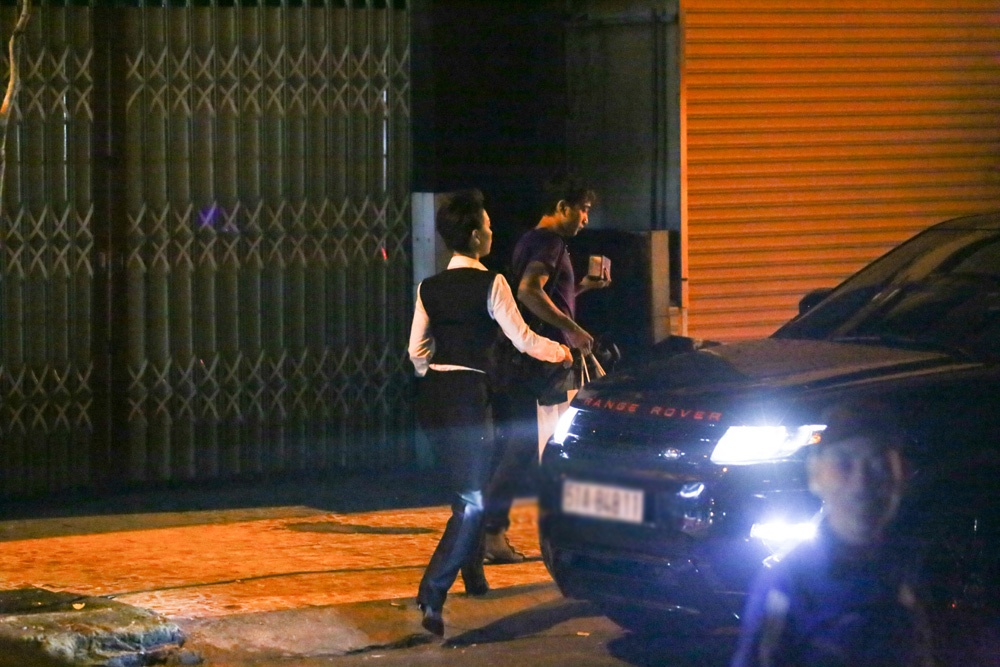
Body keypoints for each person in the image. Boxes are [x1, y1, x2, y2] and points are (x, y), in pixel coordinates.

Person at [407, 189, 572, 637]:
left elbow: (416, 351)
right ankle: (432, 592)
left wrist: (433, 371)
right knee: (473, 499)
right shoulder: (492, 283)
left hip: (434, 394)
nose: (492, 231)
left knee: (467, 490)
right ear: (477, 236)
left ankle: (474, 576)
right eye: (488, 225)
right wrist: (561, 350)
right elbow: (523, 339)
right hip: (470, 397)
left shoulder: (428, 287)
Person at [730, 403, 935, 667]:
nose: (861, 484)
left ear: (902, 476)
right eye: (843, 464)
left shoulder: (912, 567)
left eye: (879, 464)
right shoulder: (789, 583)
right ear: (815, 475)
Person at [481, 174, 611, 564]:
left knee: (523, 445)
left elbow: (545, 294)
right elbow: (528, 291)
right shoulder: (550, 243)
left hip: (528, 359)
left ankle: (491, 532)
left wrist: (581, 287)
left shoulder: (530, 240)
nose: (586, 219)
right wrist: (574, 330)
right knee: (526, 446)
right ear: (561, 208)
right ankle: (491, 533)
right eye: (583, 210)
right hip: (538, 361)